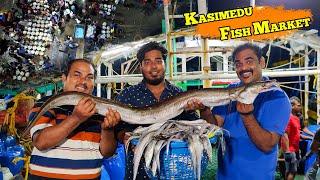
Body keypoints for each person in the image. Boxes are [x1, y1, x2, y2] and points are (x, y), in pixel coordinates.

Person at [114, 41, 212, 179]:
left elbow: (200, 127)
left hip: (173, 171)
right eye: (147, 62)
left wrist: (203, 108)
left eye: (158, 61)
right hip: (139, 173)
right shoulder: (127, 95)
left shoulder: (179, 94)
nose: (153, 66)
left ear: (165, 64)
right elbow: (117, 129)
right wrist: (124, 136)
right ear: (140, 66)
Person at [28, 59, 120, 179]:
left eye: (89, 77)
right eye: (77, 75)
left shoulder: (100, 111)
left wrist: (108, 130)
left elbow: (107, 153)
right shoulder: (46, 104)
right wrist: (76, 118)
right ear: (64, 78)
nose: (83, 82)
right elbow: (40, 142)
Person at [211, 43, 291, 179]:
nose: (243, 68)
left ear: (262, 62)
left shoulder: (277, 97)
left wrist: (247, 116)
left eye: (249, 61)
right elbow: (214, 126)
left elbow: (267, 145)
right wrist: (203, 108)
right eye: (238, 64)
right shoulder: (230, 90)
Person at [281, 96, 304, 180]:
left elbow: (298, 134)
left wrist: (311, 136)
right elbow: (285, 134)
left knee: (289, 170)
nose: (300, 107)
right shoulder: (288, 118)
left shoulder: (296, 118)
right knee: (293, 171)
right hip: (290, 149)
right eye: (298, 105)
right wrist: (287, 150)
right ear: (292, 106)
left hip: (295, 148)